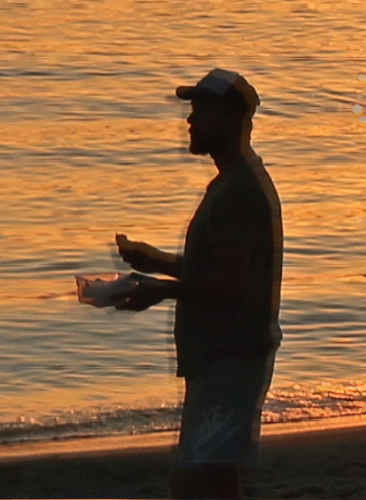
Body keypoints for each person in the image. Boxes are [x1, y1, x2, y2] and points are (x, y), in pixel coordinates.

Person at [108, 66, 283, 496]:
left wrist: (159, 291)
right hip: (224, 356)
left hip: (231, 356)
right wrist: (158, 262)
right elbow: (224, 271)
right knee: (215, 479)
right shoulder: (232, 184)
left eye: (202, 110)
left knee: (194, 481)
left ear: (233, 119)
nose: (190, 120)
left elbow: (232, 287)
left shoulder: (240, 190)